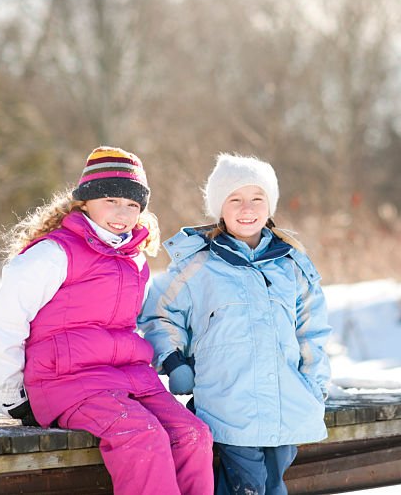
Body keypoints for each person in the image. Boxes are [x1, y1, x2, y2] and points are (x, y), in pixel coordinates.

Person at [0, 146, 214, 495]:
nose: (122, 213)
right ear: (85, 201)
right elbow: (6, 320)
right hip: (66, 379)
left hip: (128, 376)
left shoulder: (135, 258)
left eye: (133, 205)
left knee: (193, 434)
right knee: (142, 435)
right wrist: (11, 391)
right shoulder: (54, 253)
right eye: (111, 200)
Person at [138, 153, 332, 495]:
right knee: (247, 486)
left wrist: (315, 383)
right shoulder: (198, 266)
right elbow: (159, 313)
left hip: (288, 402)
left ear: (269, 206)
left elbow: (311, 329)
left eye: (257, 198)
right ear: (220, 208)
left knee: (272, 485)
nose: (247, 208)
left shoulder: (291, 266)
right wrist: (173, 361)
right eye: (236, 199)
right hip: (228, 403)